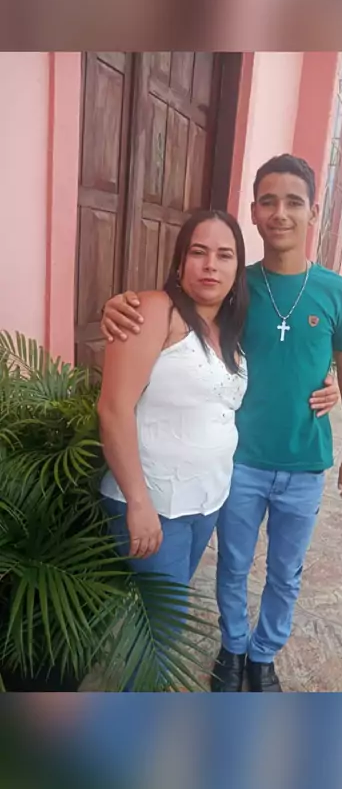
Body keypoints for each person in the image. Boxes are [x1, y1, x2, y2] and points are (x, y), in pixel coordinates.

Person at [101, 155, 342, 693]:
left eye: (294, 202)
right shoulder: (234, 287)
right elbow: (158, 335)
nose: (280, 212)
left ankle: (263, 656)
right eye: (268, 201)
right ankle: (232, 647)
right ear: (255, 211)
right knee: (228, 571)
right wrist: (117, 306)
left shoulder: (318, 291)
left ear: (314, 211)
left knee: (285, 571)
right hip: (238, 467)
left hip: (286, 466)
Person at [97, 210, 249, 602]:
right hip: (155, 503)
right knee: (164, 625)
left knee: (159, 615)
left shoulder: (229, 331)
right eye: (198, 252)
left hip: (206, 502)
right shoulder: (154, 311)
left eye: (224, 255)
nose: (211, 264)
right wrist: (139, 502)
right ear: (180, 264)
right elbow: (113, 409)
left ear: (237, 269)